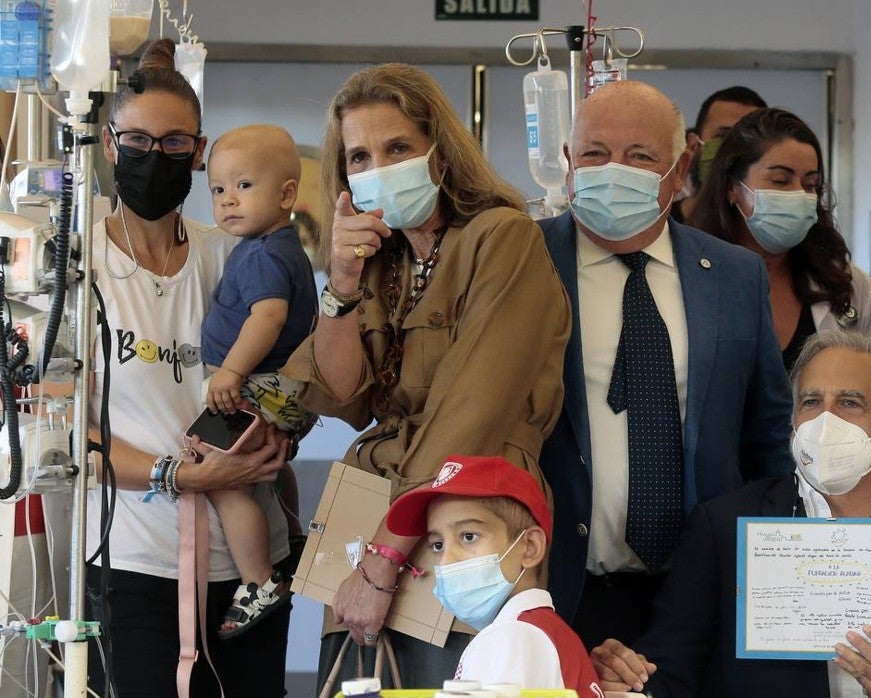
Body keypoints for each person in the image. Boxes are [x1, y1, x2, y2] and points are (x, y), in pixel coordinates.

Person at [278, 63, 572, 688]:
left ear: (440, 155)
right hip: (371, 508)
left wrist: (385, 560)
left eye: (399, 148)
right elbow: (340, 394)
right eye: (359, 156)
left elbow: (472, 414)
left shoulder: (501, 237)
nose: (378, 167)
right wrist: (343, 282)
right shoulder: (381, 264)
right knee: (354, 681)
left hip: (470, 518)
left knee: (458, 681)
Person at [589, 330, 871, 698]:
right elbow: (667, 674)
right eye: (811, 401)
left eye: (849, 402)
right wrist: (623, 677)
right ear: (793, 421)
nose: (824, 419)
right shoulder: (725, 531)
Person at [537, 80, 792, 650]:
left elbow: (767, 436)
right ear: (568, 164)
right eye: (594, 153)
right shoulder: (525, 265)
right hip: (559, 585)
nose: (613, 170)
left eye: (640, 156)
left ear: (680, 170)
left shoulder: (734, 276)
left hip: (701, 592)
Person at [86, 38, 293, 696]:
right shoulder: (79, 266)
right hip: (132, 566)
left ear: (200, 152)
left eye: (177, 144)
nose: (157, 156)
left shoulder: (229, 256)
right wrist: (185, 474)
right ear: (108, 142)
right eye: (139, 141)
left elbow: (292, 364)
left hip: (249, 571)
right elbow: (58, 438)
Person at [199, 124, 318, 638]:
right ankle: (290, 536)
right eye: (218, 190)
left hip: (256, 386)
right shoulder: (269, 244)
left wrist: (231, 370)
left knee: (221, 478)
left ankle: (257, 581)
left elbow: (267, 318)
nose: (228, 200)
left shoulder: (267, 254)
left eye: (243, 186)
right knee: (271, 466)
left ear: (287, 193)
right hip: (278, 389)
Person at [689, 107, 871, 369]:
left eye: (810, 184)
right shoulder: (689, 278)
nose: (799, 195)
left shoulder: (852, 288)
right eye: (780, 180)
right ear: (732, 187)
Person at [384, 455, 603, 697]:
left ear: (529, 547)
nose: (446, 561)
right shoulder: (544, 631)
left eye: (468, 536)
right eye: (437, 545)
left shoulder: (511, 637)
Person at [672, 85, 767, 224]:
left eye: (750, 138)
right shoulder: (661, 227)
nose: (734, 148)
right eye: (723, 136)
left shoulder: (773, 236)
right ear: (694, 145)